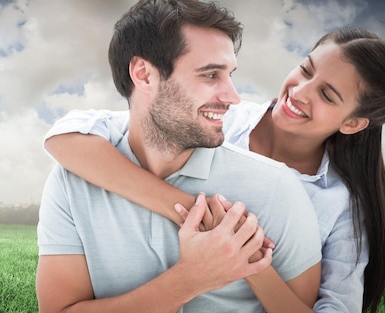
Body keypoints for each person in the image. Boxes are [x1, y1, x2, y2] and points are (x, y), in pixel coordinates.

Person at [44, 25, 385, 313]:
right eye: (305, 70)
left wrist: (246, 257)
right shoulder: (217, 117)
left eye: (327, 95)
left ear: (353, 124)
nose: (300, 92)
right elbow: (66, 138)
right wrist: (188, 209)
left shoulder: (340, 205)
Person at [36, 1, 322, 312]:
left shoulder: (276, 188)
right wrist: (191, 279)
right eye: (211, 75)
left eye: (230, 75)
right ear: (144, 75)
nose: (233, 97)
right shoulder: (71, 183)